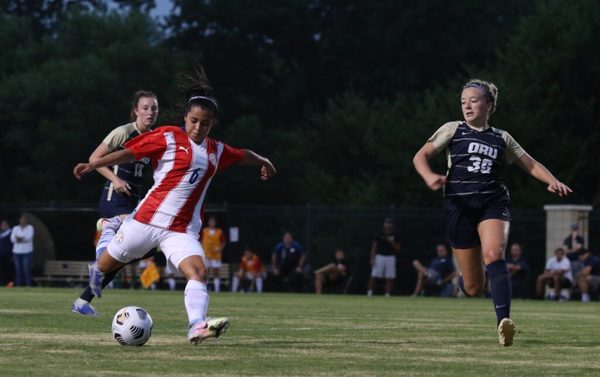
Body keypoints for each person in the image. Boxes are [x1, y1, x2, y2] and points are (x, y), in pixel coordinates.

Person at [73, 66, 276, 344]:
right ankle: (109, 228)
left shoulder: (216, 151)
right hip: (144, 221)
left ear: (212, 124)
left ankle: (196, 326)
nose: (197, 127)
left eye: (204, 123)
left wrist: (264, 161)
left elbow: (243, 155)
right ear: (185, 117)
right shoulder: (168, 136)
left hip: (180, 231)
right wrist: (94, 164)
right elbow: (130, 152)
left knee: (199, 272)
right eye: (193, 120)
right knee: (102, 266)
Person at [413, 78, 572, 346]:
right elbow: (420, 156)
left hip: (493, 202)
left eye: (473, 100)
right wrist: (429, 176)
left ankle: (504, 323)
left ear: (489, 104)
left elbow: (530, 164)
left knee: (494, 254)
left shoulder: (501, 137)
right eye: (463, 101)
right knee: (474, 288)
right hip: (459, 206)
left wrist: (551, 180)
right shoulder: (453, 130)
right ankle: (468, 281)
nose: (467, 105)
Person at [72, 90, 159, 315]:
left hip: (132, 203)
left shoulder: (154, 137)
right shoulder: (123, 132)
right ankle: (107, 226)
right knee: (124, 250)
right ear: (136, 111)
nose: (150, 112)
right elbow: (94, 159)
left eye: (154, 108)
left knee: (136, 252)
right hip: (114, 199)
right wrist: (116, 179)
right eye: (146, 107)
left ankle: (82, 302)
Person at [367, 218, 401, 297]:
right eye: (386, 223)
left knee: (390, 276)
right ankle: (369, 292)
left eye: (389, 223)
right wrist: (372, 258)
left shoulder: (395, 235)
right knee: (374, 275)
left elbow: (398, 248)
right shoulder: (379, 234)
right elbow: (374, 247)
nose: (388, 225)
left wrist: (392, 242)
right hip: (380, 257)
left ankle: (387, 294)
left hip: (390, 257)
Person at [201, 216, 226, 292]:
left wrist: (220, 248)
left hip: (216, 255)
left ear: (215, 223)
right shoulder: (204, 231)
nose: (212, 223)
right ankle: (204, 288)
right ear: (208, 223)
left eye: (213, 222)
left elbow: (223, 242)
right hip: (207, 254)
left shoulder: (219, 232)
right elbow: (200, 241)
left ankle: (217, 289)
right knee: (206, 272)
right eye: (210, 221)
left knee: (216, 272)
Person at [10, 213, 35, 287]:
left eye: (25, 219)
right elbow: (12, 239)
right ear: (19, 220)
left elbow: (28, 237)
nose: (23, 221)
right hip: (16, 252)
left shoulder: (30, 228)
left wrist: (19, 238)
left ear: (27, 220)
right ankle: (18, 284)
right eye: (22, 219)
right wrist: (20, 239)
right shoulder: (15, 228)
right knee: (18, 269)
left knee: (26, 269)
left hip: (27, 252)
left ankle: (28, 284)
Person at [0, 219, 14, 286]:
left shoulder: (11, 232)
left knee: (8, 270)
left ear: (8, 225)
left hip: (8, 255)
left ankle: (9, 283)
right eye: (2, 225)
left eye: (4, 224)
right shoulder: (1, 234)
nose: (2, 226)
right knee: (2, 270)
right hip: (1, 254)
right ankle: (2, 283)